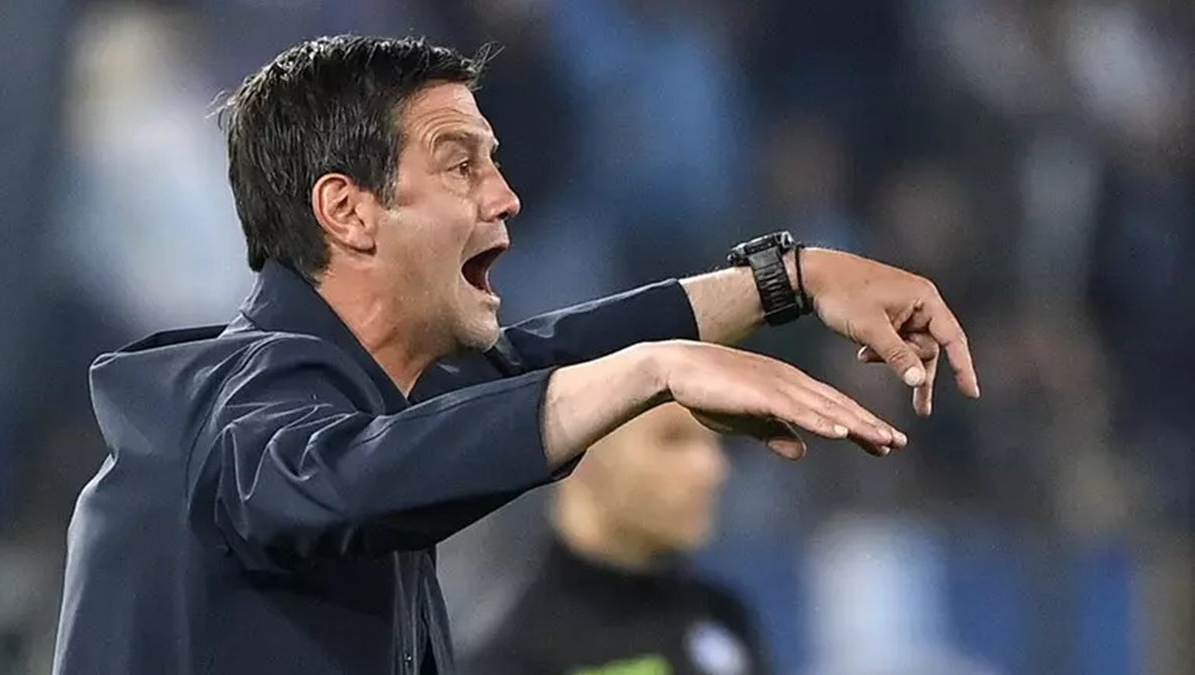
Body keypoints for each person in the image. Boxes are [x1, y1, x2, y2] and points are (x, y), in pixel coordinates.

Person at [51, 35, 979, 675]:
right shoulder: (228, 411)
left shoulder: (362, 401)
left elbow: (527, 367)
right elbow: (329, 476)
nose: (504, 195)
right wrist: (652, 370)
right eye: (461, 163)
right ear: (348, 211)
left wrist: (789, 279)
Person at [465, 403, 770, 675]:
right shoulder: (513, 656)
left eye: (714, 439)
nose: (713, 468)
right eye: (672, 438)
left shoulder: (721, 614)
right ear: (580, 453)